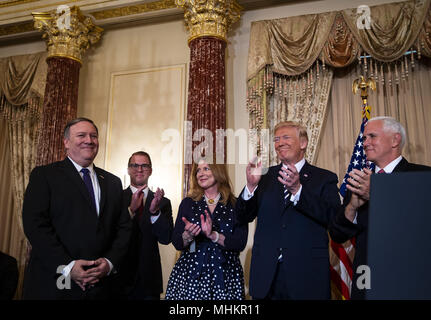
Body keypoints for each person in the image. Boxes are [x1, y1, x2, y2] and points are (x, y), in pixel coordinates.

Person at [22, 117, 132, 299]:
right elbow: (35, 226)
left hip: (101, 287)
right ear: (66, 142)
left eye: (94, 136)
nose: (89, 140)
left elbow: (124, 228)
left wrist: (109, 262)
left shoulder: (113, 182)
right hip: (54, 283)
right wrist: (68, 266)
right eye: (81, 135)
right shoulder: (44, 175)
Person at [236, 121, 341, 300]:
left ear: (303, 143)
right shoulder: (264, 176)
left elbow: (334, 219)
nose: (280, 142)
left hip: (306, 277)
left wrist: (299, 191)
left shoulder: (324, 178)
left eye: (286, 137)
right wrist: (251, 186)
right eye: (276, 139)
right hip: (267, 278)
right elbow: (242, 216)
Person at [329, 116, 431, 299]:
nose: (365, 143)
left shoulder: (423, 176)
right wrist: (352, 207)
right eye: (364, 138)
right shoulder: (358, 181)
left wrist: (379, 195)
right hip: (365, 280)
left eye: (372, 136)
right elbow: (337, 234)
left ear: (395, 140)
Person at [165, 161, 248, 300]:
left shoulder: (235, 204)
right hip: (190, 276)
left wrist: (214, 235)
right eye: (198, 170)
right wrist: (187, 236)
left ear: (218, 171)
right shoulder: (187, 203)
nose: (201, 173)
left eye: (206, 168)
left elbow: (240, 242)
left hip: (226, 276)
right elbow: (177, 243)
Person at [114, 151, 173, 300]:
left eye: (144, 166)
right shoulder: (116, 199)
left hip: (149, 280)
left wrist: (155, 212)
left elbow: (166, 238)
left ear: (151, 170)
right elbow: (109, 234)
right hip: (119, 277)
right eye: (135, 165)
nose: (139, 170)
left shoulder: (163, 202)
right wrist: (130, 211)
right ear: (128, 169)